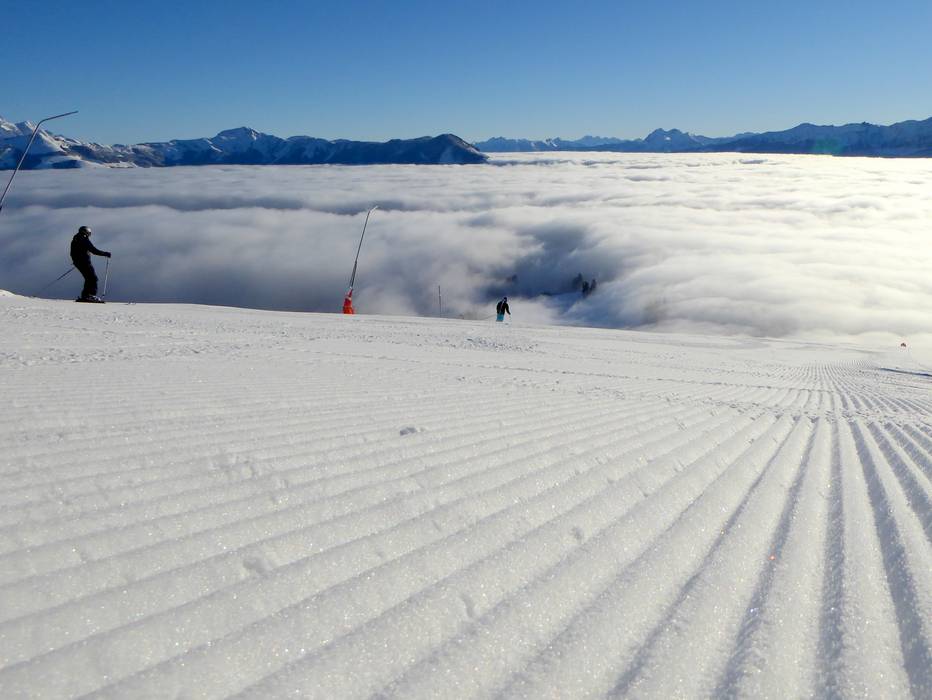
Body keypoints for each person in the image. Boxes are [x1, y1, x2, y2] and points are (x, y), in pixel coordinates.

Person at [70, 226, 111, 302]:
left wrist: (76, 261)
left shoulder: (75, 239)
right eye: (89, 233)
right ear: (86, 232)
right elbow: (93, 250)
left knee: (89, 278)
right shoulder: (83, 239)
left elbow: (72, 253)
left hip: (79, 262)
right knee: (92, 278)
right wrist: (105, 253)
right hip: (84, 262)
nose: (89, 235)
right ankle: (90, 295)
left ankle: (86, 296)